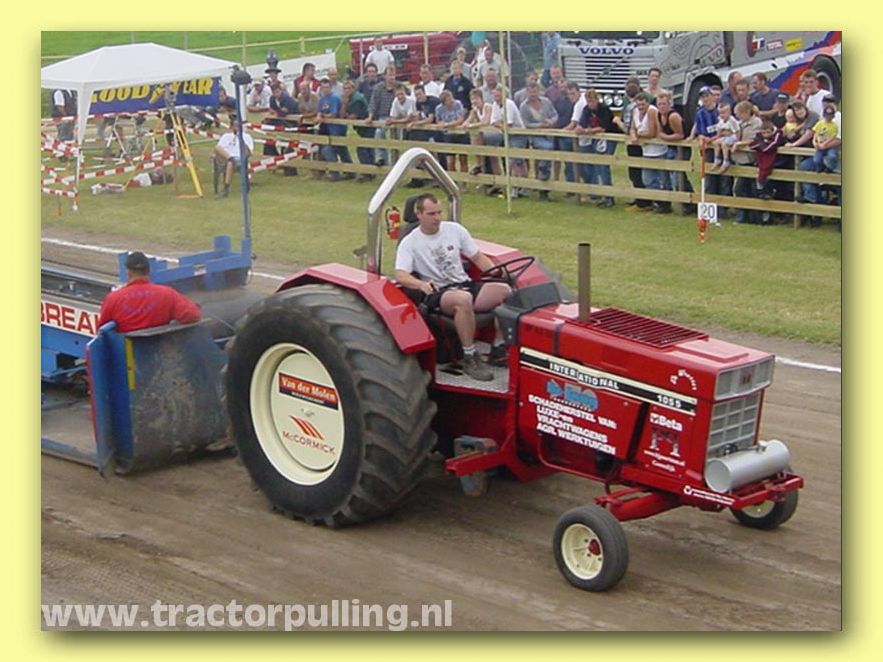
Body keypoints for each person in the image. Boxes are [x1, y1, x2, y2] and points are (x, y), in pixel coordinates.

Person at [394, 194, 511, 382]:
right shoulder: (410, 242)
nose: (437, 218)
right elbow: (401, 275)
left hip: (464, 284)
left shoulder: (454, 230)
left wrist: (496, 271)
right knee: (463, 299)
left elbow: (477, 257)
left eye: (439, 213)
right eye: (431, 214)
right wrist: (421, 284)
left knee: (505, 292)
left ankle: (499, 347)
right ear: (418, 214)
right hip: (438, 292)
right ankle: (469, 356)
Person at [98, 252, 201, 333]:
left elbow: (102, 331)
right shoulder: (167, 293)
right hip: (159, 350)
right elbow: (193, 315)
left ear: (128, 272)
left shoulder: (113, 299)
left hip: (124, 352)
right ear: (149, 270)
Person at [629, 92, 670, 213]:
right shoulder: (635, 111)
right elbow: (632, 128)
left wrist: (638, 135)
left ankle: (665, 205)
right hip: (646, 151)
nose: (641, 107)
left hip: (658, 150)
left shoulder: (652, 111)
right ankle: (657, 202)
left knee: (663, 180)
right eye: (638, 105)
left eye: (643, 104)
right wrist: (633, 135)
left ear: (647, 103)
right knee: (647, 180)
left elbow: (652, 132)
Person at [575, 88, 616, 208]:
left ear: (597, 100)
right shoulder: (586, 109)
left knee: (603, 166)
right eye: (588, 101)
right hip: (597, 138)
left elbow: (602, 128)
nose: (590, 104)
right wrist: (579, 128)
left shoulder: (604, 109)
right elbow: (581, 124)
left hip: (609, 137)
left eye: (592, 101)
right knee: (597, 165)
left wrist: (586, 131)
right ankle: (599, 193)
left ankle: (609, 197)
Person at [519, 83, 558, 200]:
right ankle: (542, 171)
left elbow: (555, 114)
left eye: (535, 91)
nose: (533, 94)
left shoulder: (546, 102)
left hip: (549, 134)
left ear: (538, 91)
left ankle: (544, 187)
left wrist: (551, 122)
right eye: (531, 92)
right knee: (547, 148)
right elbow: (526, 124)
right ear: (527, 92)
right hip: (535, 136)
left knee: (546, 156)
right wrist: (539, 125)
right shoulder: (524, 106)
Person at [730, 100, 763, 223]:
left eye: (739, 114)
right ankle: (744, 217)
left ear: (746, 112)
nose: (737, 116)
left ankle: (749, 217)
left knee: (745, 189)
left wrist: (738, 144)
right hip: (740, 159)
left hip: (750, 160)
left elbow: (754, 140)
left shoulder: (756, 123)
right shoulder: (740, 123)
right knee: (742, 189)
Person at [317, 78, 352, 180]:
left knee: (330, 150)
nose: (326, 89)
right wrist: (319, 116)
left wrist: (323, 117)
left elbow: (334, 114)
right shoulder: (322, 99)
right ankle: (348, 171)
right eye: (323, 87)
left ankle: (336, 173)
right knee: (340, 150)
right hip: (328, 129)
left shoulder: (334, 98)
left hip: (338, 129)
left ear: (330, 88)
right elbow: (319, 111)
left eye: (327, 87)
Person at [212, 118, 254, 197]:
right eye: (235, 126)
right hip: (225, 158)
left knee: (231, 163)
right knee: (218, 149)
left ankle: (226, 188)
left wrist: (242, 142)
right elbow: (218, 149)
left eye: (238, 126)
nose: (237, 128)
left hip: (239, 159)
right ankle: (230, 158)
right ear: (231, 127)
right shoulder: (226, 136)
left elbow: (249, 153)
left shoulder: (247, 137)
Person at [342, 79, 374, 179]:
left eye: (348, 88)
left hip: (367, 127)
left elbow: (353, 117)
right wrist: (344, 105)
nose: (346, 90)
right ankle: (370, 172)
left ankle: (367, 173)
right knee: (367, 149)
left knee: (362, 149)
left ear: (353, 88)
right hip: (361, 128)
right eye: (345, 88)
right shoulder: (349, 99)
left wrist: (346, 113)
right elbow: (342, 115)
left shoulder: (357, 99)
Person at [749, 119, 784, 201]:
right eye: (763, 133)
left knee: (769, 177)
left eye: (768, 132)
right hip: (761, 161)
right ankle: (761, 191)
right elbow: (752, 145)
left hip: (777, 160)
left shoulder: (778, 134)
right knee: (761, 176)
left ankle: (768, 192)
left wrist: (763, 145)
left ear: (772, 131)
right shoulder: (758, 136)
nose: (766, 135)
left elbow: (769, 147)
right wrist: (763, 144)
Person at [434, 90, 468, 172]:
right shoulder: (439, 108)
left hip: (460, 134)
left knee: (463, 159)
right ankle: (453, 178)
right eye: (449, 100)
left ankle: (463, 178)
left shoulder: (458, 104)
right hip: (448, 135)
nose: (452, 101)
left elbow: (460, 119)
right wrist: (441, 124)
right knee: (450, 161)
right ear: (444, 102)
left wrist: (447, 124)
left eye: (452, 98)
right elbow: (438, 121)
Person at [709, 102, 740, 173]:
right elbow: (719, 132)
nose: (721, 115)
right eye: (720, 113)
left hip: (733, 136)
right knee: (716, 143)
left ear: (729, 112)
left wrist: (737, 141)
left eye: (723, 113)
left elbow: (737, 131)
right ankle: (717, 159)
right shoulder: (720, 120)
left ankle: (726, 160)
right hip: (725, 136)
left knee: (724, 144)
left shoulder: (732, 121)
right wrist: (714, 138)